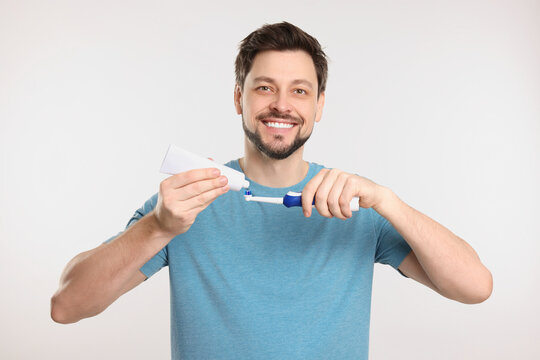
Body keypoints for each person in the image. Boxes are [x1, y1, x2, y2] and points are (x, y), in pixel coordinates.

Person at [51, 22, 493, 359]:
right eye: (265, 88)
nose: (282, 104)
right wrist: (157, 228)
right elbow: (66, 305)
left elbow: (475, 287)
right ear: (239, 97)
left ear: (319, 105)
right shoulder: (185, 204)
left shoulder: (355, 205)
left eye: (299, 91)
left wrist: (387, 201)